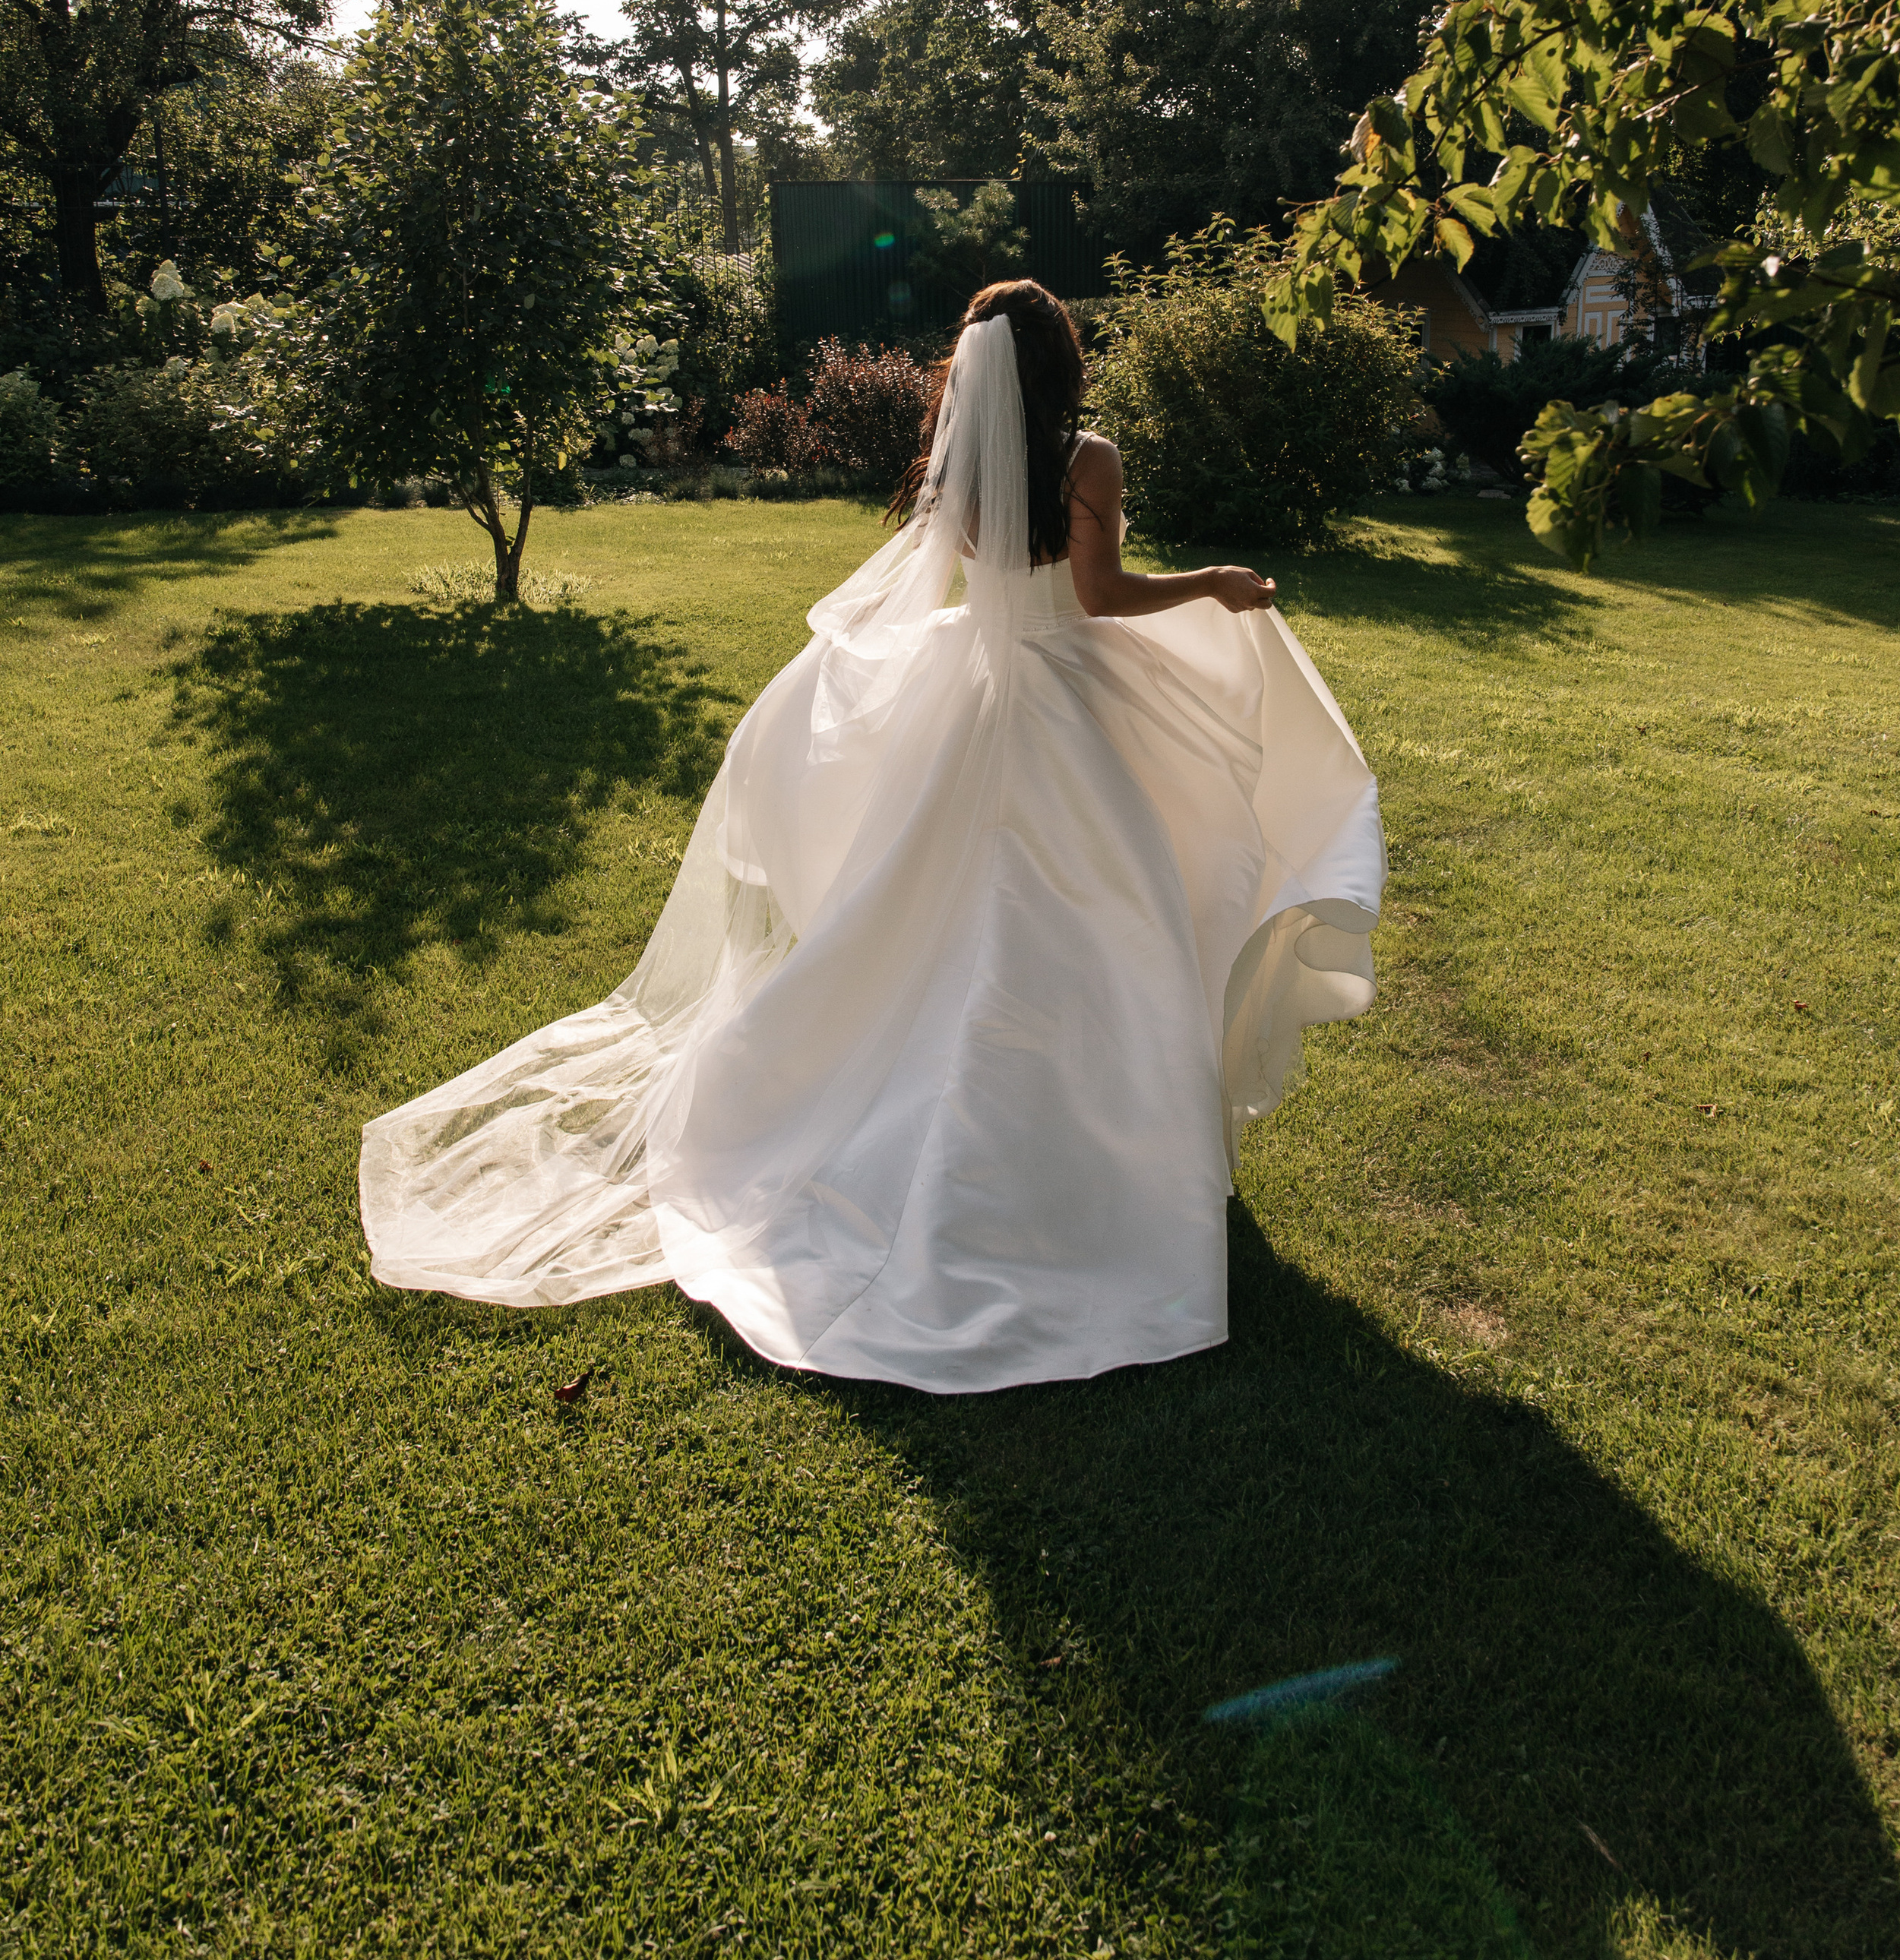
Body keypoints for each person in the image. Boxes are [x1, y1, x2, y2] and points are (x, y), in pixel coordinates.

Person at [360, 280, 1385, 1393]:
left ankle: (953, 1127)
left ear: (980, 372)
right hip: (1065, 708)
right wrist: (1216, 586)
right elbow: (1098, 597)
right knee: (1099, 924)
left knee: (940, 925)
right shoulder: (1089, 458)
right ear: (1060, 362)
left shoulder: (965, 461)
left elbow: (951, 588)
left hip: (977, 697)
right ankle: (1091, 1166)